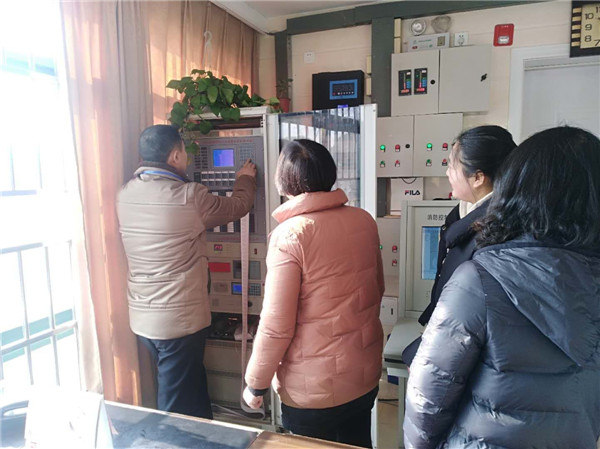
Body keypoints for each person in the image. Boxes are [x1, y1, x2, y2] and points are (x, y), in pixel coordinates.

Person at [404, 126, 600, 449]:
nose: (447, 172)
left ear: (520, 186)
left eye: (451, 164)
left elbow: (427, 397)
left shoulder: (482, 277)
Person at [241, 139, 384, 448]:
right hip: (362, 376)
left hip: (312, 391)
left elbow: (276, 326)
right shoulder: (363, 220)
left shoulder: (291, 235)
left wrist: (255, 384)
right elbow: (377, 289)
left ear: (284, 180)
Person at [117, 124, 256, 419]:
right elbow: (238, 206)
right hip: (177, 321)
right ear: (175, 156)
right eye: (184, 151)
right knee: (175, 404)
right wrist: (244, 179)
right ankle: (174, 437)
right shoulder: (190, 196)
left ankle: (205, 431)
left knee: (190, 381)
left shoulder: (125, 194)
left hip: (143, 317)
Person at [402, 125, 516, 365]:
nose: (447, 173)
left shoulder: (496, 234)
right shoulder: (464, 215)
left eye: (452, 165)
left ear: (478, 178)